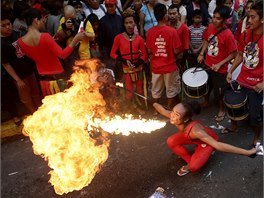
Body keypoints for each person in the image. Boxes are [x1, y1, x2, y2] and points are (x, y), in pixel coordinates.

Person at [153, 101, 259, 176]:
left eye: (176, 115)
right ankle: (190, 161)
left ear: (185, 119)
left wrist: (247, 152)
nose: (172, 116)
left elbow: (219, 146)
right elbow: (161, 109)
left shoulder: (196, 131)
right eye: (173, 111)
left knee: (195, 167)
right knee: (171, 141)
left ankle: (195, 162)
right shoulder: (173, 116)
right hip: (191, 137)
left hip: (206, 141)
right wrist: (154, 103)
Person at [17, 8, 86, 97]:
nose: (44, 22)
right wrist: (76, 39)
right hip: (58, 76)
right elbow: (63, 55)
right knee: (65, 103)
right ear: (36, 20)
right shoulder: (45, 37)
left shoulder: (20, 42)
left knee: (52, 105)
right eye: (42, 20)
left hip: (43, 78)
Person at [224, 1, 263, 146]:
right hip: (242, 79)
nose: (249, 20)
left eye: (253, 17)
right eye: (248, 17)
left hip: (257, 84)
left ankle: (257, 137)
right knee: (230, 101)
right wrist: (231, 71)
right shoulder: (245, 34)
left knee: (254, 116)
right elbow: (240, 54)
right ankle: (234, 126)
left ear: (263, 19)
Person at [197, 5, 237, 122]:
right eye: (214, 17)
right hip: (208, 64)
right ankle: (206, 101)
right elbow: (206, 40)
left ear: (224, 20)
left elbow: (234, 54)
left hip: (220, 70)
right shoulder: (210, 27)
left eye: (218, 18)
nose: (214, 20)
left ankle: (221, 109)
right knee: (206, 85)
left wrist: (220, 63)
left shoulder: (228, 34)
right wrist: (201, 53)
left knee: (219, 92)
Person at [1, 10, 42, 114]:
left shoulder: (17, 34)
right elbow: (6, 64)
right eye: (3, 26)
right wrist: (18, 80)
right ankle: (34, 114)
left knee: (36, 93)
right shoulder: (1, 44)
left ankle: (41, 112)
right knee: (26, 98)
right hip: (19, 76)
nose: (7, 27)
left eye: (8, 24)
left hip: (29, 71)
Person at [110, 8, 148, 114]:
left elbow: (145, 56)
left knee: (140, 90)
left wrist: (137, 63)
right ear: (124, 24)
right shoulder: (118, 38)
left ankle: (141, 108)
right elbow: (112, 54)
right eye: (126, 23)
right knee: (129, 92)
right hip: (126, 70)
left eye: (131, 22)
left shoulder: (139, 39)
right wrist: (123, 61)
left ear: (135, 23)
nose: (129, 25)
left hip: (138, 69)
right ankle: (129, 110)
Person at [146, 3, 182, 111]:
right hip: (170, 66)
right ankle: (169, 110)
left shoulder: (150, 32)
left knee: (156, 90)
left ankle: (157, 111)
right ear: (165, 16)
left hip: (156, 67)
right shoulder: (172, 31)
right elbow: (177, 50)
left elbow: (149, 50)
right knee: (171, 90)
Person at [98, 0, 124, 71]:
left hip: (121, 53)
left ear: (115, 6)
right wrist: (105, 56)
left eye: (112, 6)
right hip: (108, 54)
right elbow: (101, 41)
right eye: (107, 6)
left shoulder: (120, 18)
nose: (110, 8)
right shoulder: (102, 21)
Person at [168, 4, 189, 75]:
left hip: (180, 59)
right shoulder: (166, 26)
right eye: (170, 14)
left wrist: (182, 64)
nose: (172, 16)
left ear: (178, 14)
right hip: (169, 59)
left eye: (174, 13)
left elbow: (186, 47)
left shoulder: (184, 28)